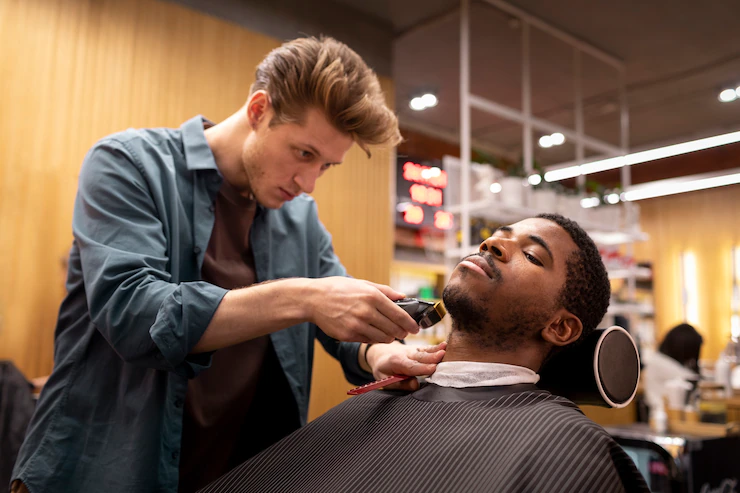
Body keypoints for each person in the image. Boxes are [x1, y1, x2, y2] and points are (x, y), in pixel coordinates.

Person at [11, 37, 446, 493]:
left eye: (326, 166)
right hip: (103, 470)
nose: (309, 183)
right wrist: (302, 297)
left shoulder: (300, 218)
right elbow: (135, 315)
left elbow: (336, 319)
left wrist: (378, 353)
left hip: (238, 472)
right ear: (259, 110)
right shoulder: (128, 165)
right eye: (303, 153)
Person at [199, 214, 650, 493]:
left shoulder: (567, 452)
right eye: (496, 236)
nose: (492, 244)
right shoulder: (383, 400)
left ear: (561, 326)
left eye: (531, 256)